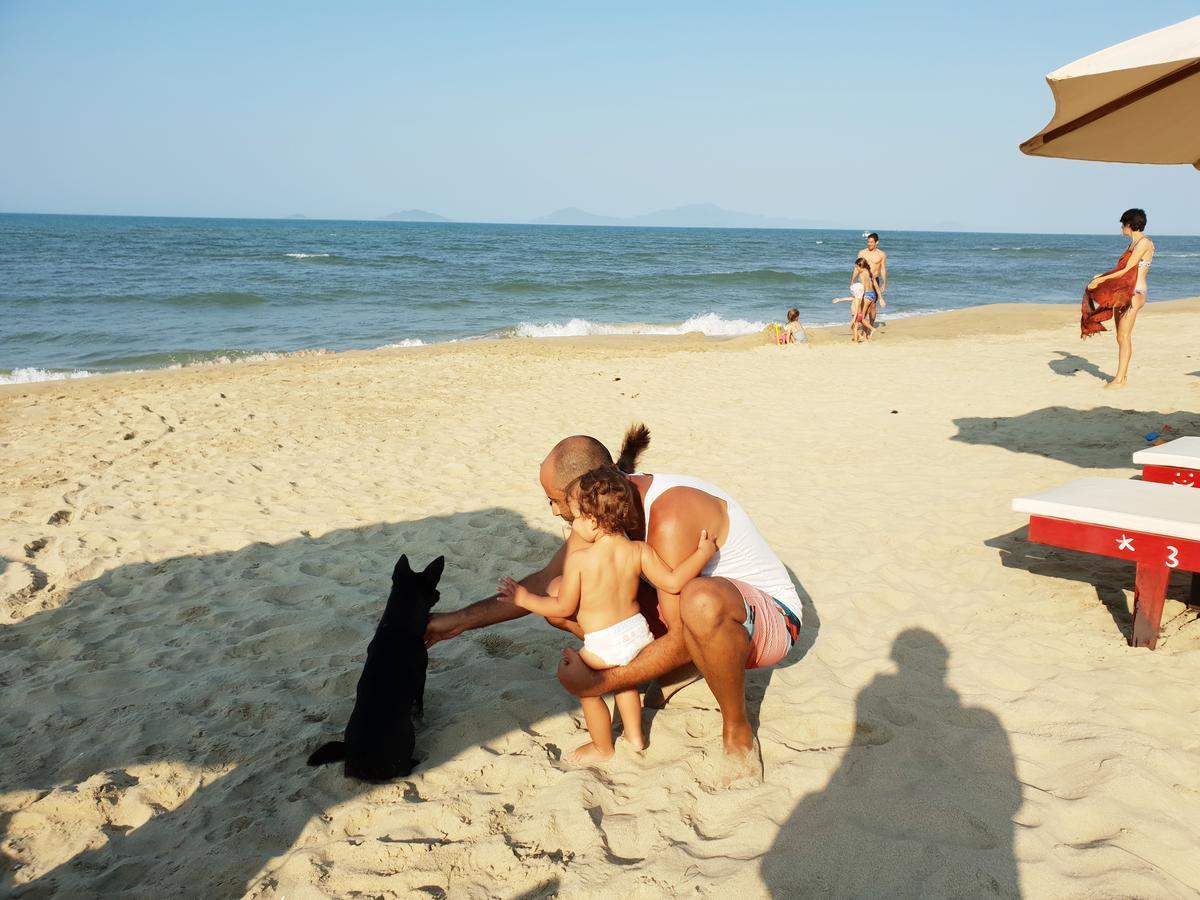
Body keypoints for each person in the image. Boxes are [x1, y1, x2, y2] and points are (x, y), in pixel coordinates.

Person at [424, 425, 803, 784]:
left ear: (581, 492)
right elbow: (541, 583)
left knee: (697, 601)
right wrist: (456, 621)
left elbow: (681, 630)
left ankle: (737, 731)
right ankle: (679, 669)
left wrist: (601, 681)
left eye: (554, 501)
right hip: (693, 616)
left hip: (766, 620)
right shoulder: (603, 511)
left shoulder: (668, 514)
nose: (554, 512)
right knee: (559, 591)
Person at [497, 464, 717, 764]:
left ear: (592, 521)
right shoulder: (638, 550)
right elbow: (674, 581)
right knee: (623, 681)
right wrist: (702, 553)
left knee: (587, 687)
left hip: (603, 642)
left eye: (575, 518)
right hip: (639, 634)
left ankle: (602, 747)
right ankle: (636, 736)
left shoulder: (580, 560)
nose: (572, 525)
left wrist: (525, 598)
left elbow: (562, 607)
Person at [1082, 208, 1154, 389]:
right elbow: (1123, 272)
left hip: (1135, 293)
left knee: (1124, 335)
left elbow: (1127, 268)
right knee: (1121, 337)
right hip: (1124, 292)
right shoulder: (1133, 244)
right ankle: (1122, 377)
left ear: (1129, 224)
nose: (1121, 228)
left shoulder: (1144, 243)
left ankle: (1120, 379)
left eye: (1123, 224)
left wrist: (1102, 278)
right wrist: (1102, 275)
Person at [832, 258, 878, 342]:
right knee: (863, 318)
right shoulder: (868, 272)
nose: (856, 268)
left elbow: (863, 287)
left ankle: (863, 335)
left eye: (856, 266)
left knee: (860, 318)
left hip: (866, 295)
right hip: (872, 294)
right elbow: (872, 283)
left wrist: (858, 295)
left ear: (860, 266)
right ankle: (863, 335)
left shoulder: (862, 274)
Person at [854, 232, 888, 328]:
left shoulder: (881, 254)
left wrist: (884, 284)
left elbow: (883, 269)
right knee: (862, 305)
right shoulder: (862, 253)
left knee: (873, 306)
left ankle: (870, 325)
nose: (869, 244)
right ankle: (862, 325)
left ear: (877, 242)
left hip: (874, 281)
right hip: (863, 281)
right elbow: (857, 268)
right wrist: (852, 281)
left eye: (871, 242)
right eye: (868, 242)